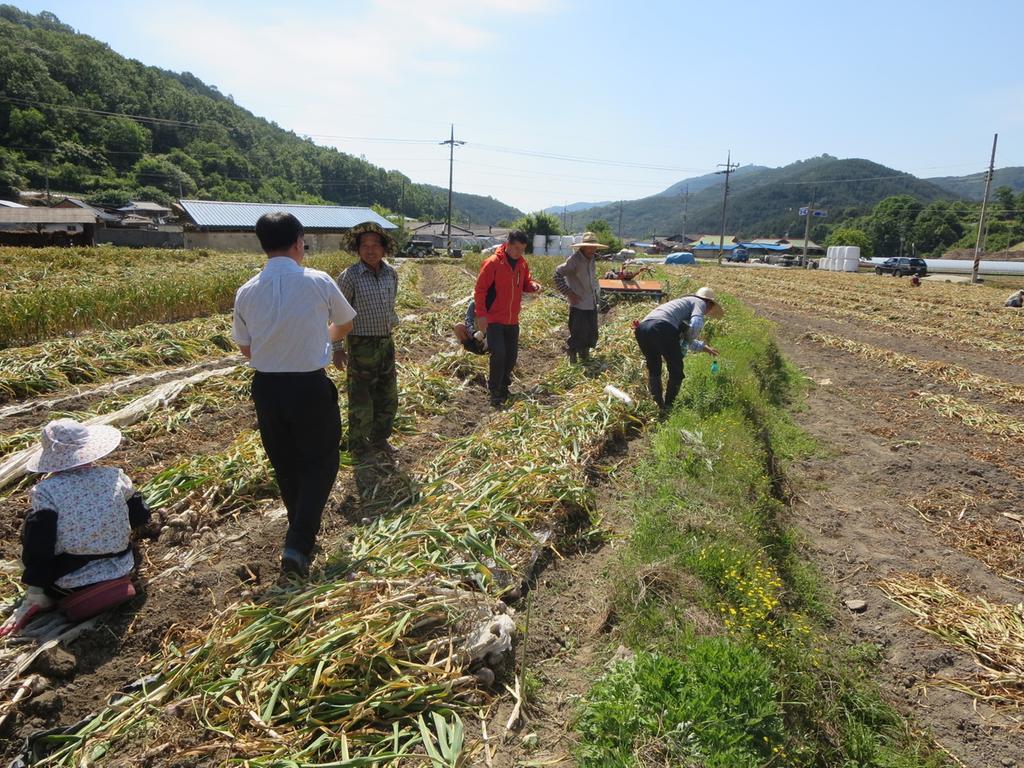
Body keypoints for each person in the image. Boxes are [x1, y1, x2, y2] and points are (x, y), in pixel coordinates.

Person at [232, 212, 356, 578]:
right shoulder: (318, 281)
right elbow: (346, 323)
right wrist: (323, 339)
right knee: (322, 462)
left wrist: (278, 350)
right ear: (299, 241)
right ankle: (299, 543)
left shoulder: (247, 290)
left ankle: (298, 532)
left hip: (267, 389)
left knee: (285, 463)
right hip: (309, 386)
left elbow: (246, 349)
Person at [0, 419, 152, 637]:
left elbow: (39, 547)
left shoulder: (46, 491)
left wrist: (36, 583)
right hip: (123, 566)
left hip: (71, 583)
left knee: (33, 528)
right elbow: (140, 516)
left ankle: (39, 597)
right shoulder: (116, 477)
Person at [337, 222, 400, 458]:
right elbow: (336, 314)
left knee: (387, 394)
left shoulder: (391, 273)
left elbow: (391, 303)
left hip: (385, 341)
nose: (370, 250)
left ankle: (380, 438)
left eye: (375, 245)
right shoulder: (349, 277)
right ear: (358, 249)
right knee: (361, 397)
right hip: (360, 344)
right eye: (365, 245)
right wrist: (337, 348)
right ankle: (358, 445)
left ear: (384, 249)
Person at [473, 230, 542, 407]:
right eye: (517, 248)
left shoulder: (522, 264)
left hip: (512, 319)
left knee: (511, 356)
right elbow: (480, 290)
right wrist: (481, 315)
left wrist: (532, 286)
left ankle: (504, 386)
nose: (519, 252)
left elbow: (525, 283)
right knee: (499, 354)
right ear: (508, 244)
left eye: (522, 249)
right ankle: (495, 389)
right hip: (495, 318)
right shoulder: (493, 263)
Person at [634, 287, 722, 412]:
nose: (707, 312)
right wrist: (689, 340)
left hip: (642, 329)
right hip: (661, 327)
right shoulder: (700, 302)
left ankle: (658, 405)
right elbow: (696, 324)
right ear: (709, 303)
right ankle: (669, 406)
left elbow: (684, 339)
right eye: (710, 308)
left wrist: (704, 347)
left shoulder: (679, 307)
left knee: (654, 368)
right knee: (676, 370)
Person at [554, 232, 607, 363]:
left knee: (591, 331)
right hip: (579, 303)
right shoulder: (575, 260)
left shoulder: (591, 259)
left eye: (594, 247)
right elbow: (557, 275)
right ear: (583, 247)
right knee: (577, 332)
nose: (592, 250)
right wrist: (569, 293)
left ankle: (585, 356)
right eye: (590, 247)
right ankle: (572, 357)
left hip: (591, 301)